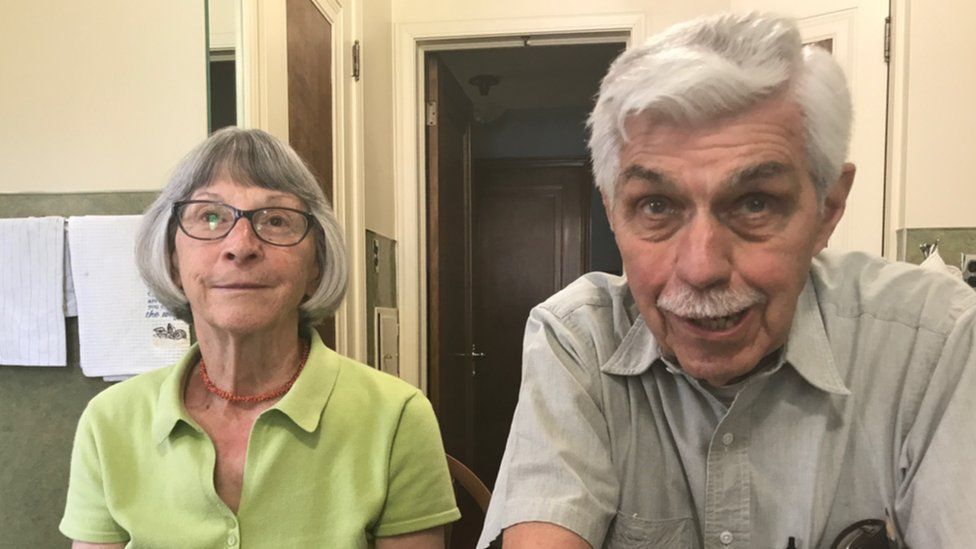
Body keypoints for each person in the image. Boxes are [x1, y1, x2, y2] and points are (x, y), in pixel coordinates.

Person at [478, 12, 976, 549]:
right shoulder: (577, 339)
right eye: (656, 206)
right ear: (613, 213)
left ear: (828, 209)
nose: (701, 268)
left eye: (754, 203)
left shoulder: (934, 341)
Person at [60, 127, 460, 548]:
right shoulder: (108, 422)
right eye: (209, 217)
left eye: (276, 220)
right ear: (172, 261)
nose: (240, 245)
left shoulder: (396, 417)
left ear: (316, 266)